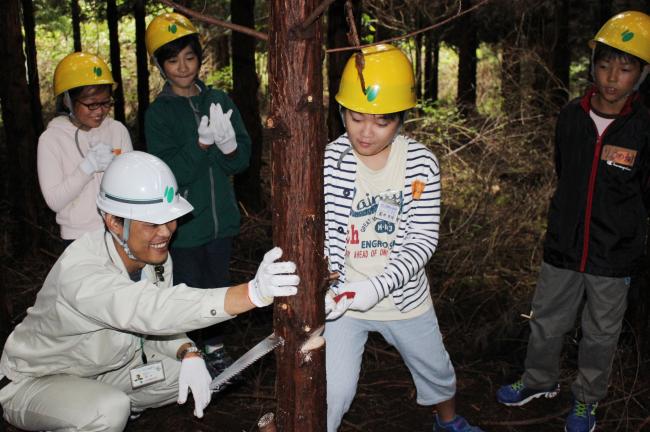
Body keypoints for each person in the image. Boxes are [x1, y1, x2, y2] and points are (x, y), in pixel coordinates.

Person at [0, 151, 299, 431]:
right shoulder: (80, 272)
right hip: (36, 381)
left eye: (170, 219)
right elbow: (149, 309)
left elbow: (155, 329)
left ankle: (103, 409)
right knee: (109, 409)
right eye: (153, 223)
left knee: (186, 374)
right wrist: (250, 294)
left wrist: (187, 351)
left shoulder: (155, 259)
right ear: (114, 221)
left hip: (106, 369)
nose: (167, 231)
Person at [495, 11, 650, 432]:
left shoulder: (643, 129)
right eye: (604, 65)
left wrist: (630, 241)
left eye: (625, 68)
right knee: (546, 321)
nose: (611, 78)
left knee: (600, 334)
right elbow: (565, 172)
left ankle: (586, 402)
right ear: (593, 65)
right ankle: (539, 381)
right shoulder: (570, 117)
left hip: (612, 255)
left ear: (641, 74)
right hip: (563, 246)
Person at [322, 44, 482, 432]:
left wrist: (377, 286)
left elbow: (423, 240)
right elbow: (323, 230)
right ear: (342, 111)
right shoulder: (331, 158)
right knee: (333, 390)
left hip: (402, 296)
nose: (365, 131)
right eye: (355, 117)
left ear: (400, 120)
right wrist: (326, 281)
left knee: (435, 369)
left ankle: (447, 422)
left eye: (381, 122)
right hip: (344, 301)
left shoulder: (420, 163)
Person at [144, 12, 251, 291]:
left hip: (223, 224)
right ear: (160, 65)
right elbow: (170, 174)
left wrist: (229, 149)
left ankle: (217, 338)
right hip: (184, 229)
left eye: (189, 57)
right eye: (172, 60)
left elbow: (241, 163)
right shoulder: (158, 114)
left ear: (199, 58)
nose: (183, 67)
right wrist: (201, 145)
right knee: (188, 297)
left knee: (218, 295)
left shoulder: (218, 100)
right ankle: (189, 338)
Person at [38, 52, 133, 245]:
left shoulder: (117, 130)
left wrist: (120, 171)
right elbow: (54, 201)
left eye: (106, 103)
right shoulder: (51, 139)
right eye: (91, 105)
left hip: (121, 231)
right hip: (78, 238)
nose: (100, 111)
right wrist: (87, 168)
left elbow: (132, 187)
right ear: (67, 101)